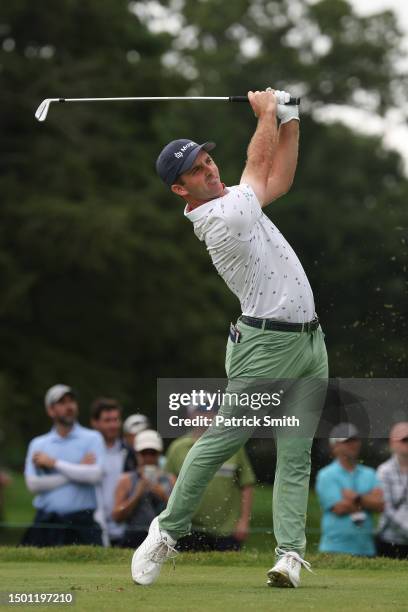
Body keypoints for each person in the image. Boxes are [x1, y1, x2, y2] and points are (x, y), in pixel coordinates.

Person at [132, 88, 328, 588]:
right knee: (224, 439)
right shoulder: (222, 216)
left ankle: (288, 554)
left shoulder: (238, 200)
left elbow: (278, 178)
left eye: (207, 159)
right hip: (266, 347)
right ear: (181, 190)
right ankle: (166, 532)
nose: (209, 170)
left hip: (309, 343)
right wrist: (266, 113)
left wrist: (290, 118)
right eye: (197, 171)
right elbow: (258, 160)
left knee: (295, 451)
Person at [166, 401, 255, 551]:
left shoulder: (233, 445)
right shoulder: (177, 448)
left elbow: (247, 484)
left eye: (210, 411)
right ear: (190, 416)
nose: (205, 416)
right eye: (200, 411)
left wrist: (244, 521)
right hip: (188, 528)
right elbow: (169, 483)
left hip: (227, 529)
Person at [23, 384, 105, 546]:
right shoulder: (38, 444)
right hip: (46, 522)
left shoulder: (93, 438)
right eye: (62, 403)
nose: (69, 406)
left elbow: (94, 475)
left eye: (71, 401)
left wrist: (54, 463)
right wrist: (76, 470)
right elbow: (33, 485)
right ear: (50, 410)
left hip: (82, 522)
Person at [316, 423, 384, 557]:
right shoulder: (326, 475)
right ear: (334, 446)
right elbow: (340, 508)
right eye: (346, 441)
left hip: (366, 549)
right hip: (334, 548)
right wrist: (367, 501)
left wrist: (356, 498)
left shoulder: (369, 473)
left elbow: (380, 505)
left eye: (355, 440)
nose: (352, 444)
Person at [112, 430, 175, 548]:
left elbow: (179, 515)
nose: (148, 457)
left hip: (163, 538)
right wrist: (137, 493)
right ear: (137, 454)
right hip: (133, 538)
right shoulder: (126, 480)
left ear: (159, 454)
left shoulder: (170, 479)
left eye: (152, 453)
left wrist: (163, 496)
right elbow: (116, 517)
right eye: (144, 453)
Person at [90, 397, 137, 546]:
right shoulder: (88, 452)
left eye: (116, 420)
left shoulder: (130, 453)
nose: (113, 425)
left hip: (125, 526)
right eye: (107, 420)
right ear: (95, 423)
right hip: (93, 524)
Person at [376, 422, 408, 559]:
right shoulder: (384, 471)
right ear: (392, 442)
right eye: (404, 440)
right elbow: (386, 507)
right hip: (390, 540)